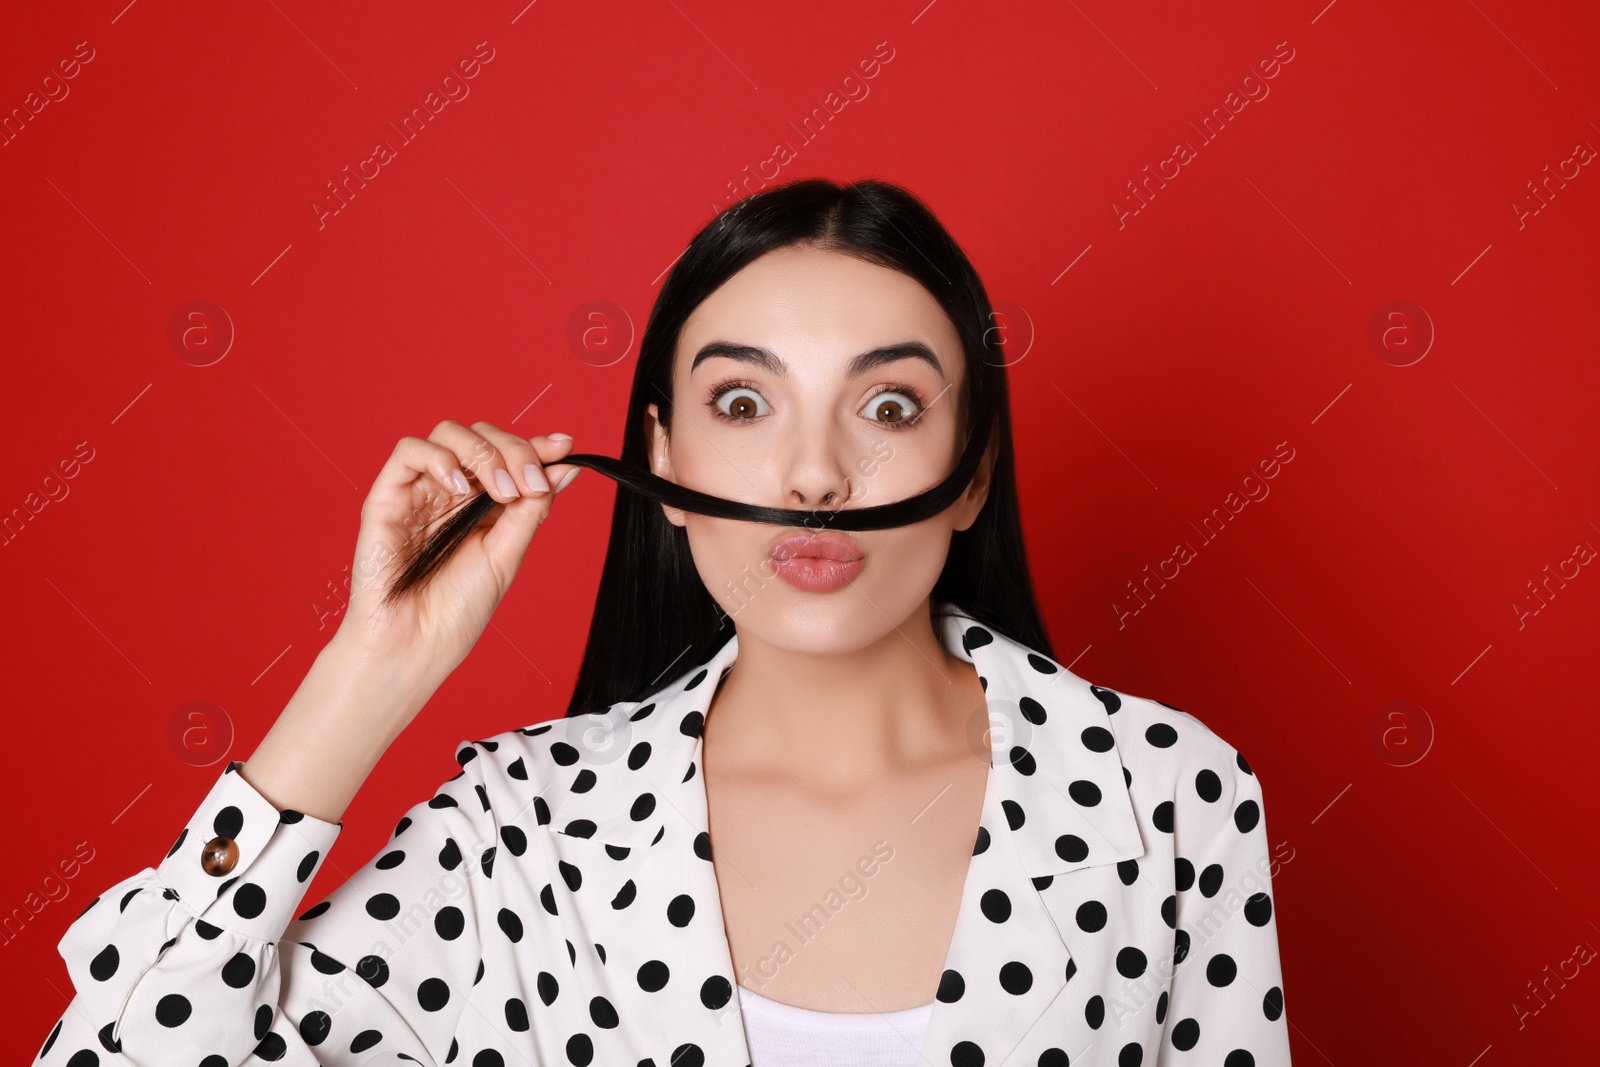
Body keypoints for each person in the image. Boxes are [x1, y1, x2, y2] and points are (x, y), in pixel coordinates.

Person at [37, 178, 1291, 1066]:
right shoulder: (522, 830)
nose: (812, 476)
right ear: (662, 455)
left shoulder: (1163, 792)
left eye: (891, 409)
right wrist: (370, 667)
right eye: (743, 403)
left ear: (970, 473)